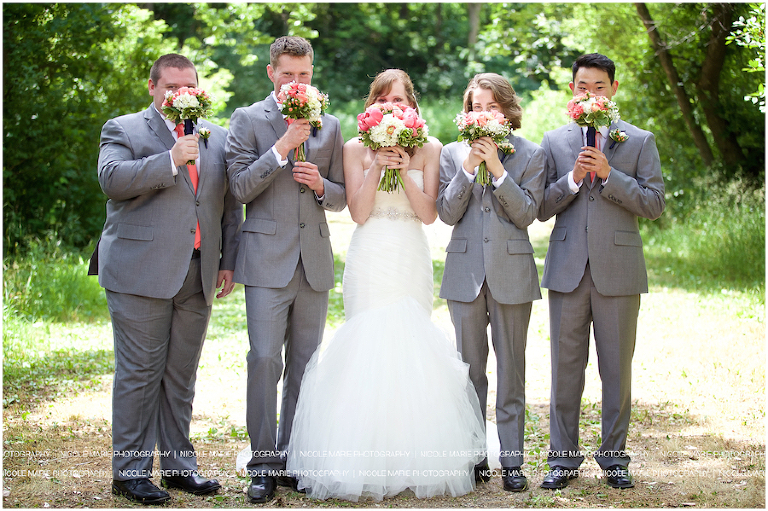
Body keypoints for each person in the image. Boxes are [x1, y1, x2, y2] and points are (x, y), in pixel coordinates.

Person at [285, 69, 486, 502]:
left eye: (399, 101)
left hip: (409, 251)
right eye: (383, 101)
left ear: (411, 107)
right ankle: (361, 455)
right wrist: (379, 165)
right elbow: (357, 212)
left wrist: (404, 164)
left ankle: (414, 453)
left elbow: (429, 214)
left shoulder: (429, 148)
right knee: (367, 342)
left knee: (410, 342)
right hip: (370, 250)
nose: (391, 108)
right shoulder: (355, 147)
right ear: (371, 106)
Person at [92, 53, 242, 504]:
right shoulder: (124, 128)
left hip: (197, 273)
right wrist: (170, 158)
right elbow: (111, 180)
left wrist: (227, 260)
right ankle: (130, 472)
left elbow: (228, 207)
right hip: (139, 272)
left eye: (190, 86)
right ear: (153, 87)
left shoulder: (215, 137)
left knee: (181, 376)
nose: (182, 95)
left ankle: (179, 467)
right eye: (173, 87)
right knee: (139, 374)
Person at [225, 36, 346, 503]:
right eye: (289, 74)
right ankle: (263, 463)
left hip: (313, 260)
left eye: (305, 75)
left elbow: (341, 196)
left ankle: (295, 457)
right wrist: (281, 148)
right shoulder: (248, 119)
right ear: (272, 74)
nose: (298, 83)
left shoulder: (330, 124)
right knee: (263, 360)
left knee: (305, 366)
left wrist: (321, 187)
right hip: (265, 261)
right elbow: (238, 188)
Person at [537, 53, 665, 490]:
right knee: (565, 367)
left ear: (613, 88)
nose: (589, 92)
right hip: (568, 269)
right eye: (581, 86)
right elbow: (540, 208)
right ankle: (562, 460)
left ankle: (614, 457)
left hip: (619, 269)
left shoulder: (639, 140)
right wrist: (572, 179)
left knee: (616, 369)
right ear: (572, 90)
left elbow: (654, 203)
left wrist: (611, 175)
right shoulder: (553, 141)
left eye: (598, 85)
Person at [436, 73, 546, 492]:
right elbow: (447, 214)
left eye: (492, 106)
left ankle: (513, 461)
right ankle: (475, 455)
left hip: (513, 273)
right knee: (469, 371)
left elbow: (526, 215)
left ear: (507, 110)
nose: (483, 113)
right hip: (464, 275)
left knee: (511, 370)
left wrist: (498, 169)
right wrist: (468, 168)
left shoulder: (531, 154)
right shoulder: (451, 153)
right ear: (467, 113)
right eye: (476, 106)